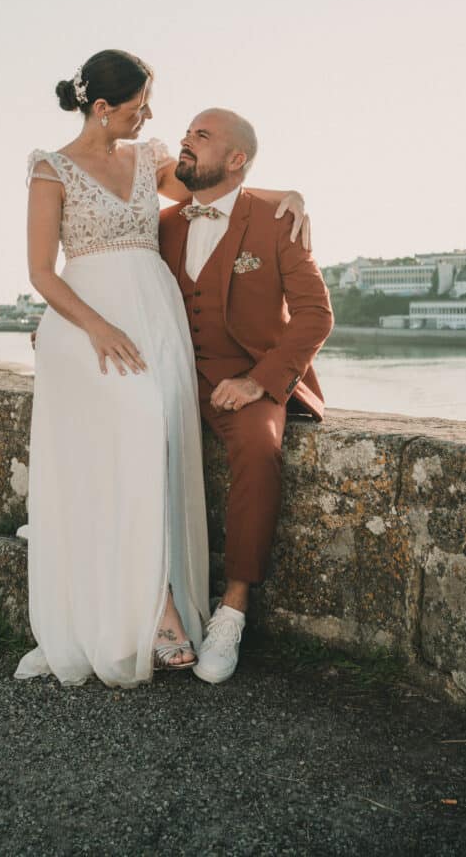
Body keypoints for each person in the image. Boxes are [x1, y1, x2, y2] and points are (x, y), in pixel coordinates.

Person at [14, 50, 309, 688]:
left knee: (165, 444)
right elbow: (40, 270)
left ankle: (163, 601)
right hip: (89, 326)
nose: (150, 116)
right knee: (123, 443)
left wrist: (285, 194)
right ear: (100, 108)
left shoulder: (148, 160)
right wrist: (96, 326)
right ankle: (141, 613)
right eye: (138, 106)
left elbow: (215, 191)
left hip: (156, 320)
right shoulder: (51, 169)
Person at [158, 108, 334, 684]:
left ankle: (231, 611)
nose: (185, 142)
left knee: (259, 451)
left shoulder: (277, 220)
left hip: (251, 376)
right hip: (178, 375)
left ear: (235, 159)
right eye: (186, 134)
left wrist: (261, 380)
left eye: (200, 137)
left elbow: (315, 315)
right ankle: (153, 601)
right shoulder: (164, 224)